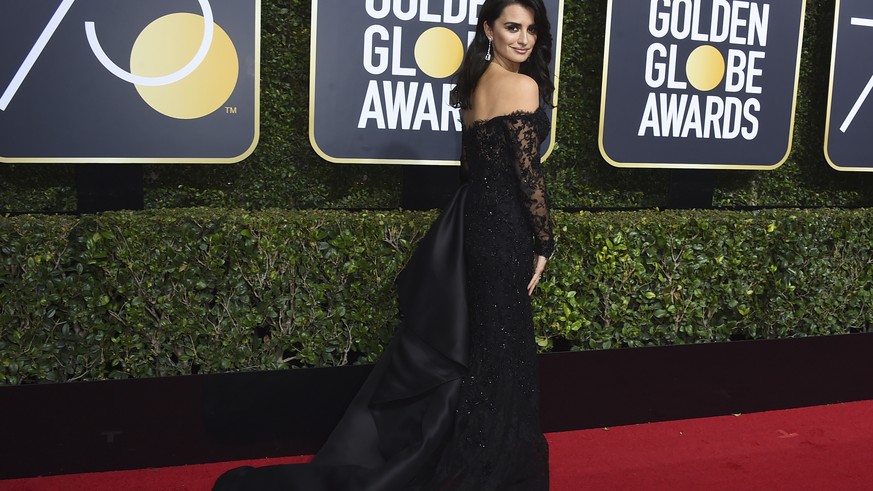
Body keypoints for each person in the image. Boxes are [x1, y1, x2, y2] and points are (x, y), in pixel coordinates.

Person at [213, 0, 554, 489]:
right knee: (504, 354)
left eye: (531, 30)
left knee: (487, 351)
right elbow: (528, 176)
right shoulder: (522, 86)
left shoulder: (474, 89)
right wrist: (544, 241)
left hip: (475, 226)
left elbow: (471, 170)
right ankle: (493, 471)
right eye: (512, 27)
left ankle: (479, 461)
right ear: (488, 29)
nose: (522, 39)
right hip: (504, 232)